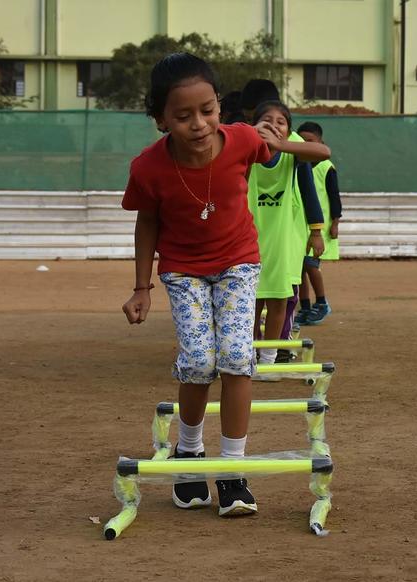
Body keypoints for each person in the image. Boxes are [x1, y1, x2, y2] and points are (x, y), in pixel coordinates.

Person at [120, 52, 295, 517]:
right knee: (198, 361)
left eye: (207, 110)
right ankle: (190, 453)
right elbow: (146, 223)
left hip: (239, 262)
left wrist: (280, 139)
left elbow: (272, 151)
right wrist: (142, 287)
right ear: (160, 120)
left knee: (238, 356)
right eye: (182, 115)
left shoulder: (240, 141)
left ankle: (233, 471)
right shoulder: (149, 168)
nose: (198, 124)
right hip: (183, 269)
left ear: (219, 106)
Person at [247, 100, 329, 364]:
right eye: (267, 120)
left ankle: (269, 358)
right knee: (251, 302)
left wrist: (316, 230)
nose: (273, 125)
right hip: (249, 240)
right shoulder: (244, 151)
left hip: (282, 240)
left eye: (281, 122)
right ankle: (247, 355)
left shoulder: (293, 155)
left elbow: (323, 152)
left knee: (279, 299)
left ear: (289, 131)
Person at [295, 121, 342, 325]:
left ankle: (322, 303)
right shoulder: (294, 163)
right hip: (298, 225)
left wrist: (335, 222)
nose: (305, 144)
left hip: (317, 226)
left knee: (310, 264)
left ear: (320, 142)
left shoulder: (326, 166)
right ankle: (305, 306)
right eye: (301, 141)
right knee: (298, 268)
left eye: (310, 141)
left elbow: (334, 196)